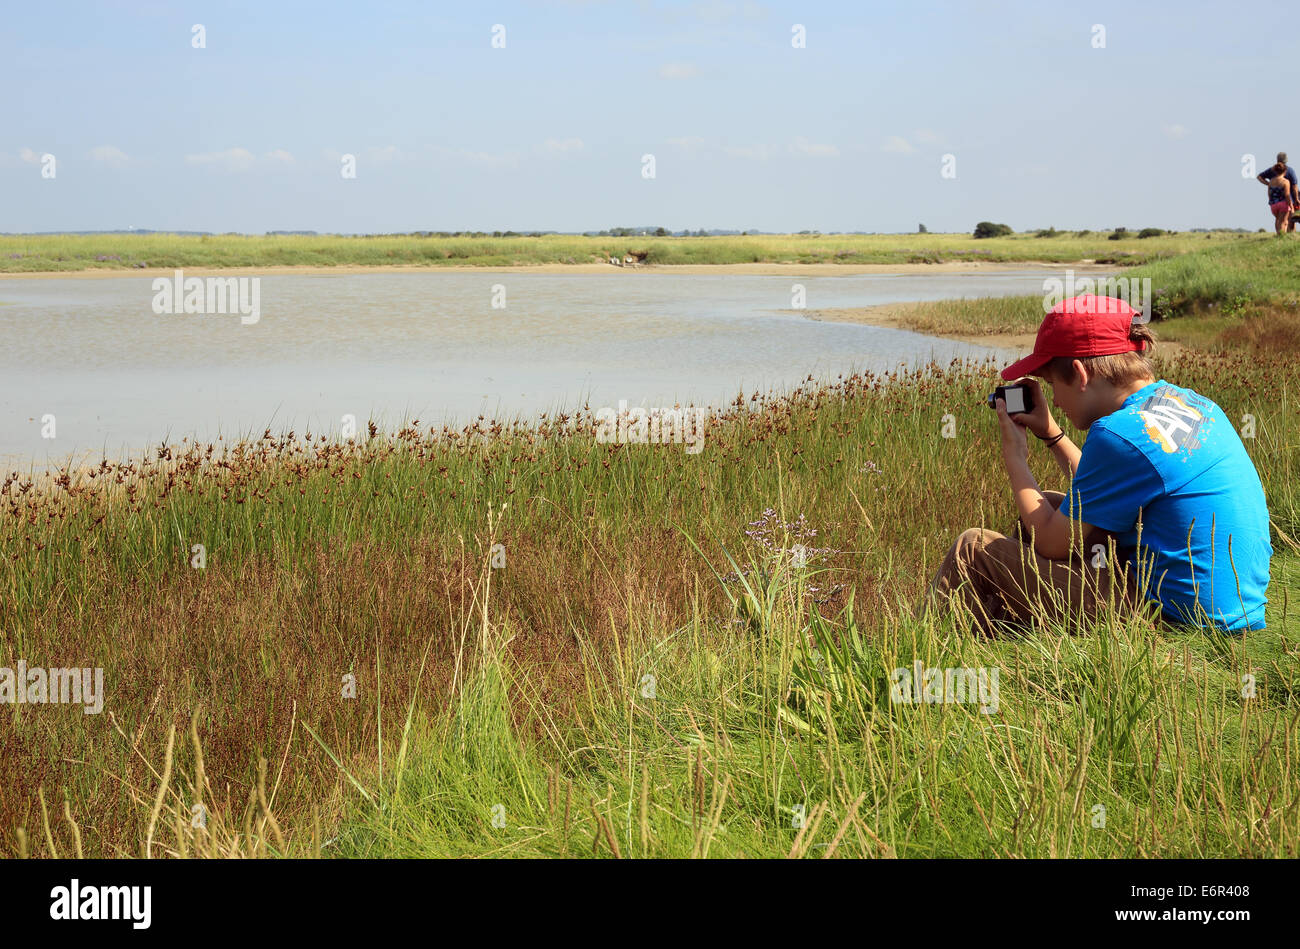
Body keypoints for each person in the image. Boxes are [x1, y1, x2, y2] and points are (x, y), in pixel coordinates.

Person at [923, 294, 1272, 635]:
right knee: (1056, 503)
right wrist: (1051, 434)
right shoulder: (1193, 405)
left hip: (1172, 620)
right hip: (1228, 610)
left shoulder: (1119, 434)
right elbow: (1103, 485)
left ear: (1079, 373)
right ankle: (1007, 629)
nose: (1056, 400)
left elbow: (1048, 543)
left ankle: (928, 652)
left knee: (973, 548)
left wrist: (1015, 458)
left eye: (1053, 385)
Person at [1256, 152, 1298, 233]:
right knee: (1289, 219)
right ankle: (1287, 236)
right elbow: (1294, 187)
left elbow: (1259, 177)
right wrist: (1296, 199)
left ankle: (1279, 235)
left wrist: (1269, 184)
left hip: (1274, 202)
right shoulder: (1289, 171)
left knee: (1279, 219)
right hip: (1287, 201)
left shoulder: (1272, 170)